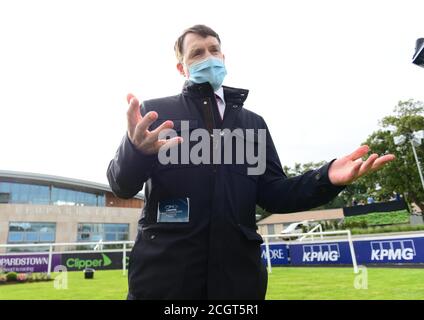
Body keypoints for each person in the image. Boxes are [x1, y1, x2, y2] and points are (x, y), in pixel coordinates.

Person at [106, 25, 395, 300]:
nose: (208, 57)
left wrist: (326, 178)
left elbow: (275, 195)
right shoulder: (155, 113)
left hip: (238, 282)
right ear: (182, 67)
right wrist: (136, 150)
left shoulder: (252, 124)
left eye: (213, 50)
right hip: (164, 281)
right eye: (197, 53)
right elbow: (121, 185)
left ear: (223, 57)